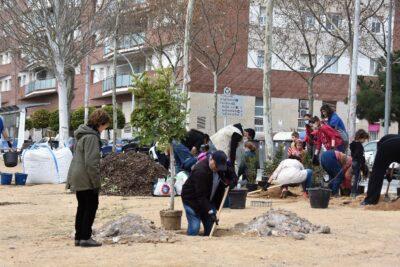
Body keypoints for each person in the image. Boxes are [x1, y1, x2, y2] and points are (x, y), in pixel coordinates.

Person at [66, 109, 111, 247]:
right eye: (105, 126)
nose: (104, 129)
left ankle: (79, 237)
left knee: (82, 207)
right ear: (100, 123)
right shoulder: (91, 137)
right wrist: (96, 183)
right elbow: (91, 163)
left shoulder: (83, 135)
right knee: (91, 206)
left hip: (77, 175)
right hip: (86, 177)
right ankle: (86, 237)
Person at [181, 151, 233, 236]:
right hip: (192, 201)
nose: (218, 169)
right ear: (211, 160)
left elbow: (231, 174)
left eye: (220, 167)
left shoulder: (219, 167)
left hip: (207, 200)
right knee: (195, 228)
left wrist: (232, 181)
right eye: (217, 166)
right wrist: (210, 212)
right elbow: (200, 196)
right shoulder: (200, 171)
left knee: (210, 228)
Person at [362, 134, 400, 205]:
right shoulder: (387, 141)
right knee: (378, 172)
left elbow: (382, 164)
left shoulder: (384, 143)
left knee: (377, 173)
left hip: (389, 145)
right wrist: (388, 172)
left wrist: (387, 172)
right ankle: (370, 200)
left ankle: (370, 200)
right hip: (392, 145)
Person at [350, 129, 369, 198]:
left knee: (356, 177)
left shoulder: (353, 144)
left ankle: (353, 191)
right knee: (357, 178)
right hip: (358, 162)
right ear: (361, 137)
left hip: (353, 162)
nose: (364, 141)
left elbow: (353, 153)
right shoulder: (359, 146)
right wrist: (363, 164)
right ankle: (354, 193)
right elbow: (360, 156)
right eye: (364, 139)